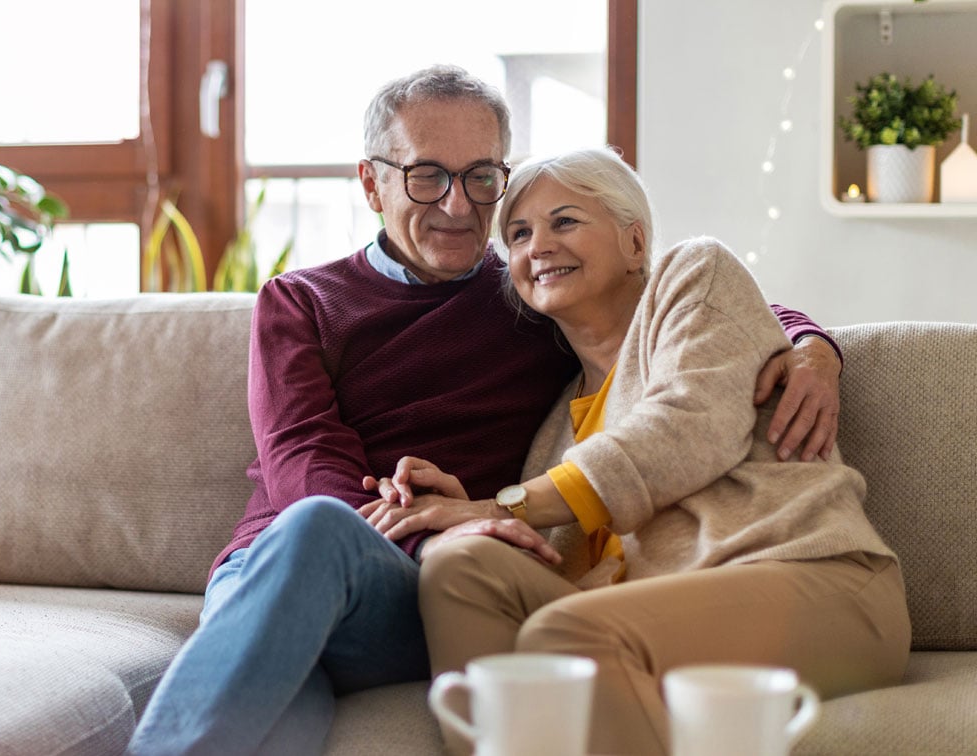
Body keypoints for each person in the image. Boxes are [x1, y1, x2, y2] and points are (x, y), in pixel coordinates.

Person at [126, 66, 844, 756]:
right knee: (309, 570)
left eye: (481, 177)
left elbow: (683, 304)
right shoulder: (300, 301)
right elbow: (301, 460)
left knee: (306, 619)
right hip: (293, 563)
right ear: (372, 184)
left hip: (434, 590)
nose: (458, 205)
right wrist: (427, 537)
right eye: (427, 174)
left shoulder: (534, 293)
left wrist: (813, 347)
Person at [363, 147, 910, 756]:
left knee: (569, 636)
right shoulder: (553, 431)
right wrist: (479, 523)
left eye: (565, 221)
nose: (537, 245)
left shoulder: (695, 278)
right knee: (459, 566)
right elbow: (569, 562)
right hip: (651, 618)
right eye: (518, 233)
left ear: (634, 242)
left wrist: (504, 506)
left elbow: (685, 429)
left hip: (817, 583)